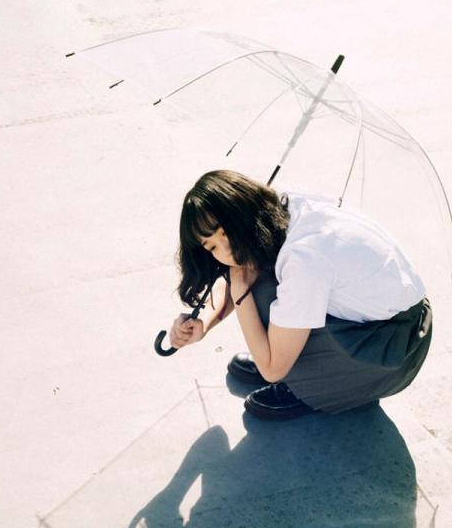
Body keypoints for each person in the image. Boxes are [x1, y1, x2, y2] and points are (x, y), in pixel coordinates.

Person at [168, 169, 433, 420]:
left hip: (394, 352)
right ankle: (288, 354)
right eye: (212, 246)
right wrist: (204, 322)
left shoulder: (304, 258)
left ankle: (306, 386)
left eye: (225, 233)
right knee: (262, 275)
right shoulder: (281, 205)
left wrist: (240, 292)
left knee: (262, 293)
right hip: (391, 323)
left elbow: (272, 369)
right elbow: (241, 270)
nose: (227, 251)